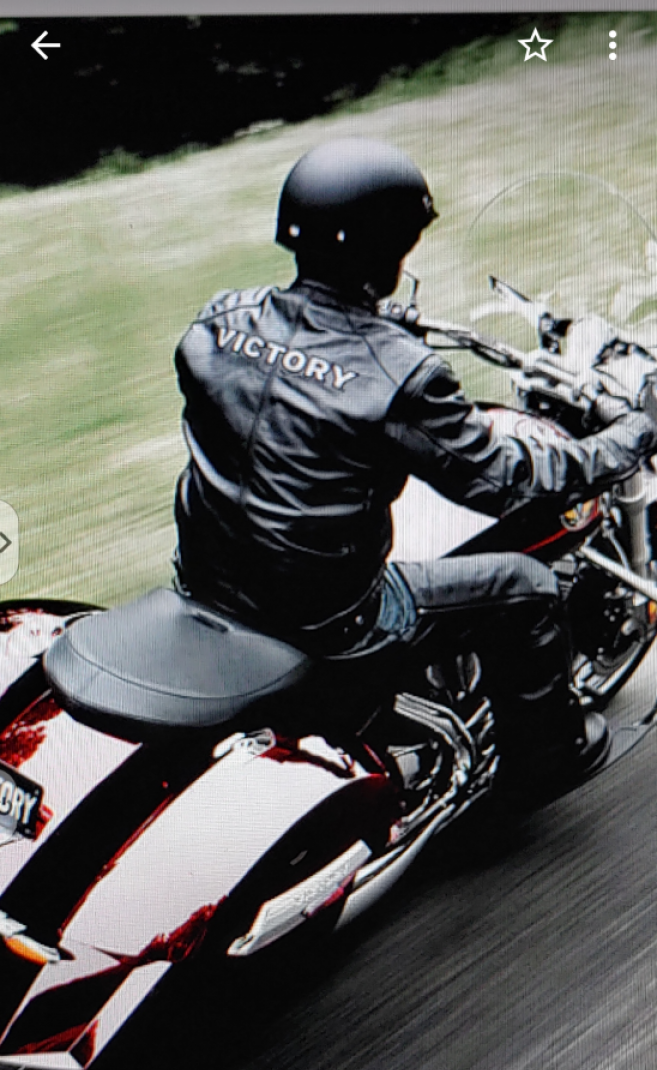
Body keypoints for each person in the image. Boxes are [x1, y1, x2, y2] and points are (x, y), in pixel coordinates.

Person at [172, 137, 657, 796]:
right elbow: (504, 482)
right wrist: (630, 436)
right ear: (390, 247)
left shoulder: (218, 320)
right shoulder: (402, 377)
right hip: (330, 619)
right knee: (526, 585)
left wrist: (371, 328)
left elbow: (290, 382)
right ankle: (549, 758)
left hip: (210, 578)